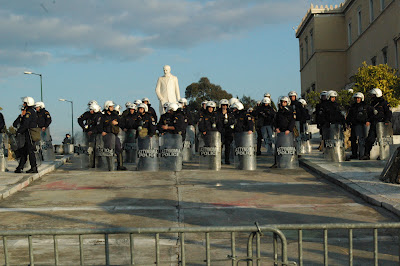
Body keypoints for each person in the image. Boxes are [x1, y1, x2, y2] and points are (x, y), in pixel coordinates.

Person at [361, 88, 392, 160]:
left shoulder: (384, 103)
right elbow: (369, 114)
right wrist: (368, 120)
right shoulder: (372, 104)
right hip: (374, 124)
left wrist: (387, 120)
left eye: (373, 95)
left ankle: (384, 154)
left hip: (383, 125)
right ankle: (366, 154)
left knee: (383, 141)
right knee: (370, 139)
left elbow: (388, 113)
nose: (372, 96)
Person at [98, 100, 127, 170]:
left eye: (113, 106)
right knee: (109, 150)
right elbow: (99, 126)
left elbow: (121, 123)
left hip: (114, 135)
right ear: (107, 107)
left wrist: (117, 123)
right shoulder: (103, 116)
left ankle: (120, 165)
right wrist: (102, 131)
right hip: (107, 136)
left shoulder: (115, 115)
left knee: (119, 148)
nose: (112, 108)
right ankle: (110, 166)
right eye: (111, 107)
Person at [13, 97, 38, 173]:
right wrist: (21, 116)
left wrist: (19, 131)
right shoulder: (28, 112)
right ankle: (20, 167)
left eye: (24, 103)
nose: (23, 104)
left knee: (30, 151)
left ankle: (34, 167)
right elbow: (15, 124)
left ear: (28, 103)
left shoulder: (29, 112)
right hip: (27, 134)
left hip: (29, 134)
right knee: (24, 151)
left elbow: (25, 125)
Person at [346, 92, 370, 159]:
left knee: (362, 140)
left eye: (359, 98)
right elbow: (349, 116)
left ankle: (362, 154)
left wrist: (368, 121)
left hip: (362, 125)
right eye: (356, 98)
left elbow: (370, 114)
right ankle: (354, 154)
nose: (357, 100)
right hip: (354, 124)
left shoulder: (365, 106)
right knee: (353, 140)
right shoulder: (353, 106)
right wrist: (348, 123)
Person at [217, 99, 235, 164]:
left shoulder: (230, 113)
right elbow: (217, 121)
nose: (224, 107)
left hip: (228, 132)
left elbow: (233, 121)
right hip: (220, 131)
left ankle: (227, 160)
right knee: (219, 146)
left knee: (228, 146)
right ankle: (219, 160)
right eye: (223, 105)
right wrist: (222, 115)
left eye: (225, 105)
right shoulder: (217, 113)